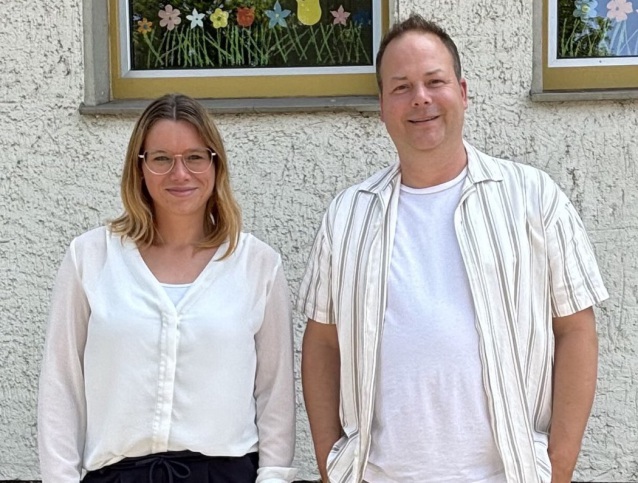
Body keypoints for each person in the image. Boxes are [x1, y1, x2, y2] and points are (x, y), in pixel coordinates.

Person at [298, 14, 608, 483]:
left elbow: (576, 331)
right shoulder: (348, 214)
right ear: (381, 106)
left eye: (434, 81)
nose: (420, 98)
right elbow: (322, 343)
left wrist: (559, 468)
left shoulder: (533, 198)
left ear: (462, 92)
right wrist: (329, 464)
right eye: (401, 87)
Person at [38, 94, 296, 483]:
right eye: (161, 159)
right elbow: (61, 385)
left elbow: (275, 393)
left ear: (215, 165)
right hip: (117, 476)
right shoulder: (90, 258)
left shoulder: (257, 264)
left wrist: (273, 477)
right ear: (139, 168)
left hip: (224, 475)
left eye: (194, 157)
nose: (180, 173)